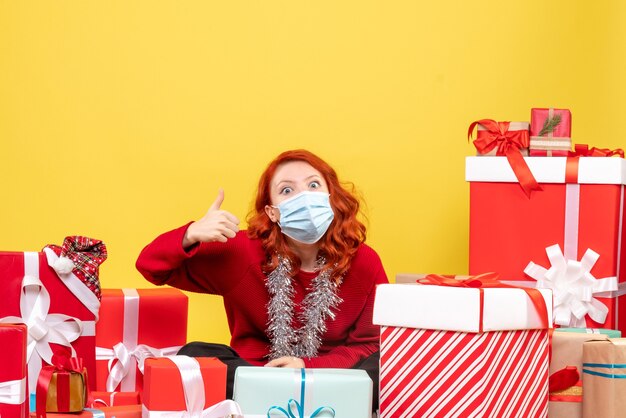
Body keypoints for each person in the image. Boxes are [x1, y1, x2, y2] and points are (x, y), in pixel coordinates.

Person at [136, 149, 388, 411]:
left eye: (313, 185)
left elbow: (370, 344)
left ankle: (280, 402)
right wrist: (191, 234)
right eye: (287, 190)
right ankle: (288, 400)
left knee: (386, 365)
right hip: (257, 373)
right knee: (193, 355)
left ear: (330, 198)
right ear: (272, 212)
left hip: (332, 377)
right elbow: (150, 265)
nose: (303, 196)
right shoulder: (241, 251)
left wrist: (307, 367)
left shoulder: (363, 261)